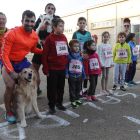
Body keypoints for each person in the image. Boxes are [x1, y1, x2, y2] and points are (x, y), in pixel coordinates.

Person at [1, 10, 43, 123]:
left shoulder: (34, 35)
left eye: (32, 21)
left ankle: (30, 99)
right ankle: (9, 111)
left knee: (37, 79)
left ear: (35, 23)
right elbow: (3, 54)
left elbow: (33, 49)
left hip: (22, 61)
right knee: (10, 86)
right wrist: (11, 72)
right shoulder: (11, 33)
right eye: (27, 21)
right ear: (22, 21)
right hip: (9, 60)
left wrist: (45, 52)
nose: (29, 24)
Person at [32, 3, 60, 96]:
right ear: (45, 10)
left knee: (52, 71)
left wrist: (43, 33)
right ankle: (37, 88)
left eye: (52, 8)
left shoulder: (57, 18)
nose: (50, 9)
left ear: (54, 11)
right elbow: (34, 31)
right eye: (48, 8)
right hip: (39, 47)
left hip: (52, 48)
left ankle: (53, 93)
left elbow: (57, 32)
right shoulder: (41, 18)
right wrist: (44, 34)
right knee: (34, 69)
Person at [42, 18, 68, 115]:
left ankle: (59, 103)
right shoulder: (49, 38)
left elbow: (66, 51)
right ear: (54, 27)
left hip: (62, 67)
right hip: (52, 68)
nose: (62, 28)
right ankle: (52, 105)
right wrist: (45, 69)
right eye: (60, 26)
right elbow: (44, 54)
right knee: (52, 88)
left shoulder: (64, 37)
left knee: (61, 87)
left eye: (63, 26)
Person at [72, 17, 92, 98]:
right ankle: (79, 90)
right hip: (79, 57)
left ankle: (85, 89)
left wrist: (89, 54)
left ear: (86, 24)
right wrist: (80, 54)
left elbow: (90, 45)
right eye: (80, 23)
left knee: (86, 73)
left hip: (87, 56)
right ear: (78, 24)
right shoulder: (75, 34)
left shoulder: (88, 34)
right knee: (79, 73)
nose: (82, 24)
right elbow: (73, 45)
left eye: (84, 23)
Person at [65, 39, 86, 109]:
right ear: (70, 47)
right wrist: (66, 73)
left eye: (78, 46)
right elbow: (66, 66)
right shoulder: (68, 56)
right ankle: (72, 100)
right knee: (72, 88)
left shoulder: (80, 56)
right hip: (71, 75)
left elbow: (81, 65)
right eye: (75, 46)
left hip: (79, 75)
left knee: (78, 87)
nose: (77, 48)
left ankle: (77, 99)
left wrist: (83, 74)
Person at [98, 31, 114, 95]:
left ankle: (106, 88)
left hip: (108, 63)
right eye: (104, 37)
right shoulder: (100, 45)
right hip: (103, 64)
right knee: (104, 76)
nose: (106, 38)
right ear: (102, 37)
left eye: (107, 37)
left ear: (109, 37)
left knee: (107, 76)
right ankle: (102, 89)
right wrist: (102, 64)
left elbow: (110, 54)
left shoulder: (109, 45)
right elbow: (99, 55)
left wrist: (112, 62)